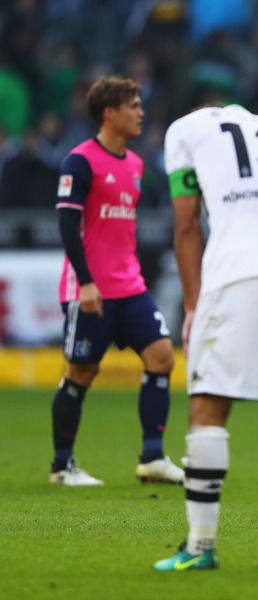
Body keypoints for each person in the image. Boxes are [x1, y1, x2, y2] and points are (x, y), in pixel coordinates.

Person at [154, 103, 258, 571]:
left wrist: (192, 306)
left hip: (239, 268)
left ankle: (200, 546)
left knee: (208, 399)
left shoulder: (184, 130)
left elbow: (187, 223)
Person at [49, 75, 183, 487]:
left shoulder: (138, 165)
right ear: (110, 113)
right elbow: (68, 225)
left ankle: (153, 457)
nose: (141, 113)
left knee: (162, 357)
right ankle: (62, 465)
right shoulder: (80, 161)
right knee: (81, 372)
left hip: (130, 287)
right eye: (133, 106)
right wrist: (86, 282)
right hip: (89, 290)